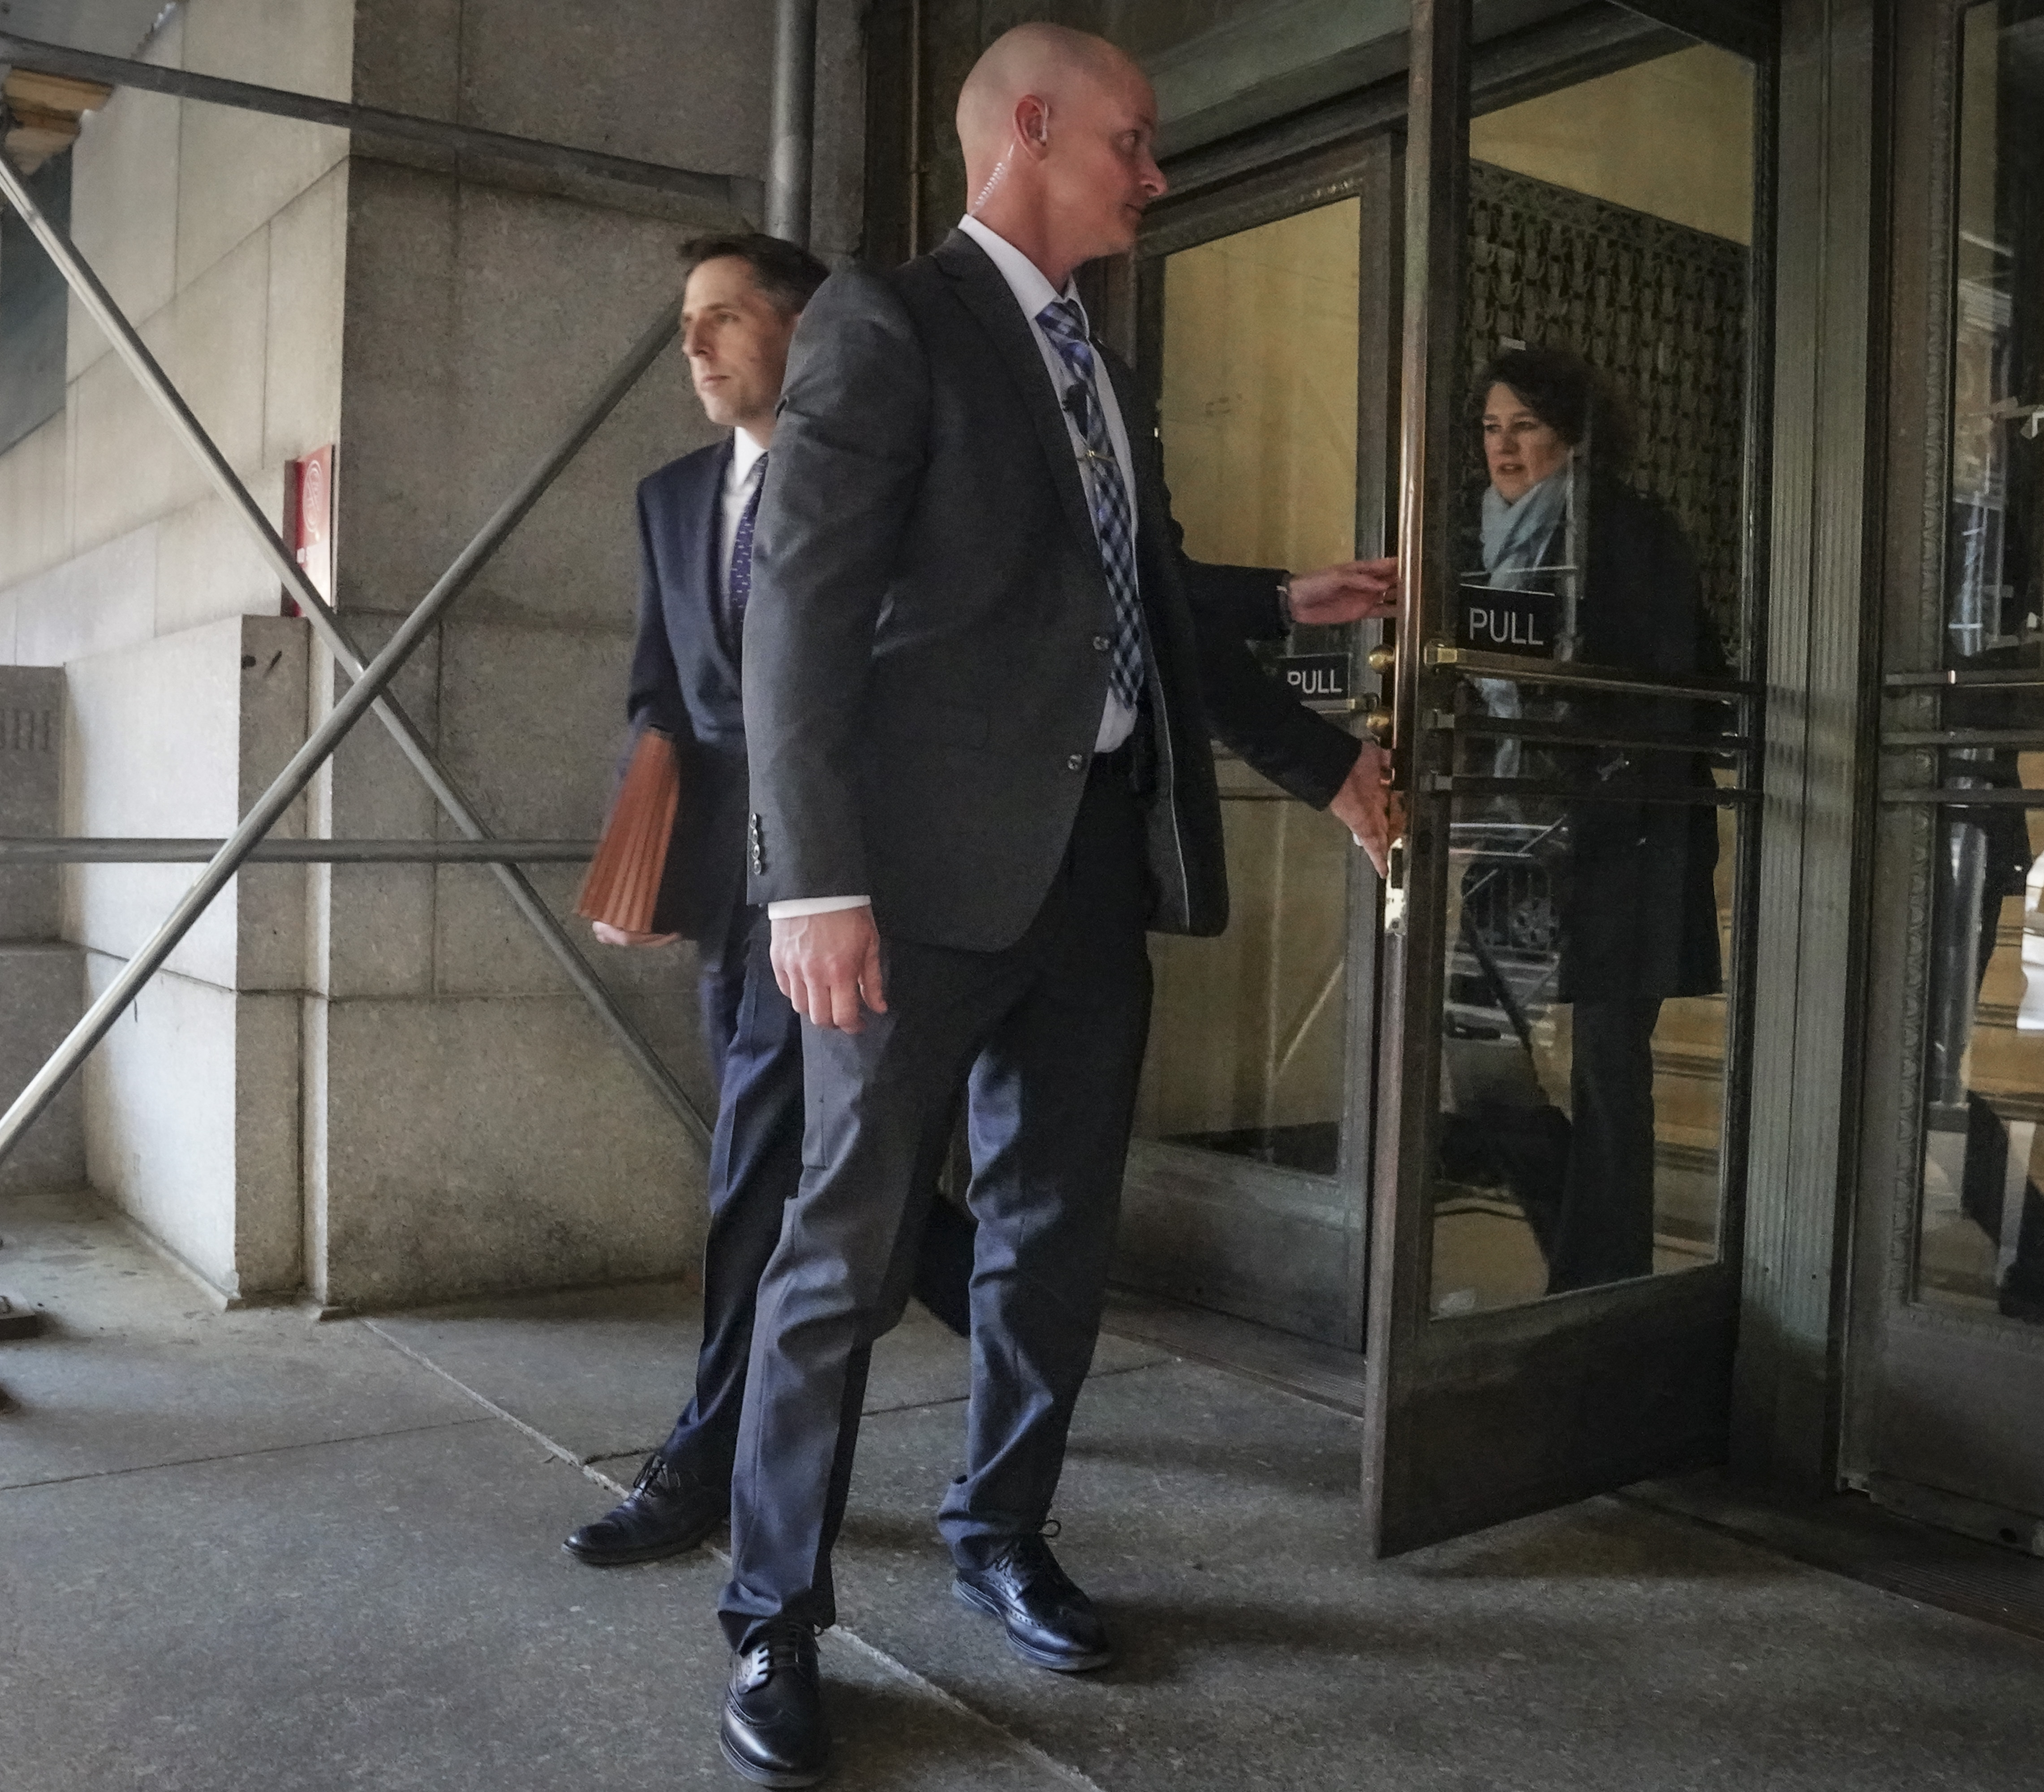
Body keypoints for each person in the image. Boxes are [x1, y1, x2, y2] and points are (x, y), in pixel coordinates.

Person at [716, 24, 1401, 1785]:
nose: (1154, 175)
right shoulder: (889, 323)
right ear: (1029, 128)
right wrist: (819, 880)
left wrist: (1321, 748)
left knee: (1055, 1230)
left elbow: (1140, 609)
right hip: (910, 887)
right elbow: (795, 617)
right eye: (1134, 143)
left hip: (1090, 867)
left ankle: (999, 1530)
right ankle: (773, 1611)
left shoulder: (1100, 366)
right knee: (846, 1245)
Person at [562, 233, 980, 1571]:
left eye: (726, 318)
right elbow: (660, 693)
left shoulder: (888, 476)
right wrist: (647, 849)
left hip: (861, 884)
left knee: (767, 1179)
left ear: (808, 331)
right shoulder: (671, 496)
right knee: (837, 1177)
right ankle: (1016, 1315)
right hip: (740, 910)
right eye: (689, 321)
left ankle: (703, 1466)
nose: (695, 346)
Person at [1446, 349, 1722, 1293]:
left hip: (1620, 836)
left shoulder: (1630, 530)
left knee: (1610, 1068)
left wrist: (1595, 778)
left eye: (1524, 425)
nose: (1505, 446)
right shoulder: (1487, 537)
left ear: (1570, 431)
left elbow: (1684, 687)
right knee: (1471, 1046)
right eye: (1491, 426)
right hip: (1524, 832)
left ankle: (1598, 1280)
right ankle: (1589, 1240)